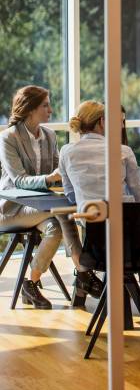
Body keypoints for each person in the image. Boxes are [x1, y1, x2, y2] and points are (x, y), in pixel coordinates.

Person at [59, 100, 140, 340]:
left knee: (136, 239)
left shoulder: (67, 152)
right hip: (131, 237)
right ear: (103, 122)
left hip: (97, 244)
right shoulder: (123, 150)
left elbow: (71, 195)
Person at [0, 86, 102, 309]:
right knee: (63, 214)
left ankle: (31, 283)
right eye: (45, 105)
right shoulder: (8, 138)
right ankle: (84, 272)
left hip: (41, 207)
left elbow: (60, 169)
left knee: (56, 226)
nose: (51, 110)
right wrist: (49, 179)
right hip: (11, 210)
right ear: (30, 110)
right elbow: (19, 180)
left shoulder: (48, 135)